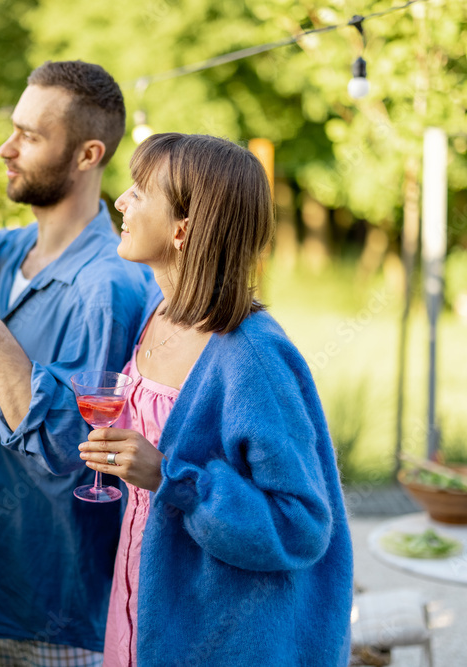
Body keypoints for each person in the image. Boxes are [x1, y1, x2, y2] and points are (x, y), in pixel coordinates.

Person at [77, 133, 353, 666]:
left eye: (140, 191)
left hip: (218, 639)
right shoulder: (156, 314)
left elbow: (302, 526)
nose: (120, 201)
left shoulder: (253, 356)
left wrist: (169, 477)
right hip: (141, 610)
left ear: (183, 228)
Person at [0, 61, 151, 665]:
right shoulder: (22, 245)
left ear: (87, 154)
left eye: (31, 136)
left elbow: (74, 449)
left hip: (64, 602)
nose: (5, 148)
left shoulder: (108, 287)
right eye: (12, 128)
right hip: (4, 581)